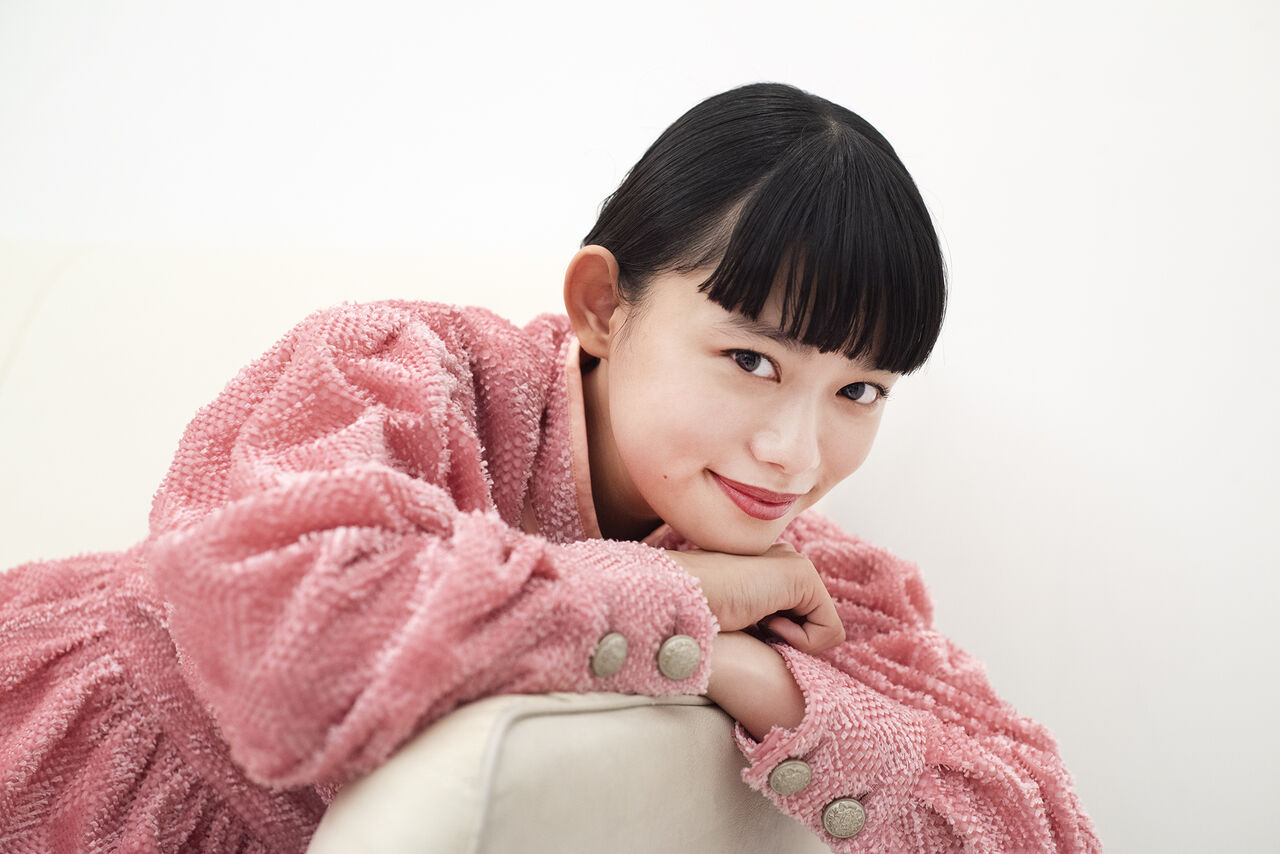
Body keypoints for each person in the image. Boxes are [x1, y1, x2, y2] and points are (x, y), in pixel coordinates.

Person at [0, 82, 1100, 852]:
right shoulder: (394, 374)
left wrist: (764, 681)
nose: (796, 454)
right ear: (600, 305)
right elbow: (279, 637)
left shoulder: (799, 581)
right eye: (750, 360)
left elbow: (1035, 818)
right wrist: (678, 600)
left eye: (859, 391)